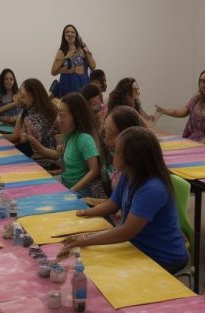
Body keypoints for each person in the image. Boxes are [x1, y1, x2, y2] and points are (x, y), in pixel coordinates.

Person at [60, 127, 189, 273]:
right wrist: (85, 212)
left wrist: (85, 239)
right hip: (137, 246)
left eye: (117, 151)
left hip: (162, 257)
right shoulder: (129, 174)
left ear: (132, 158)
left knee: (94, 267)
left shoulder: (153, 189)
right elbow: (112, 204)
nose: (113, 154)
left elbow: (126, 232)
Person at [30, 93, 107, 198]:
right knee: (36, 189)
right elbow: (68, 168)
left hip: (83, 191)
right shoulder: (69, 136)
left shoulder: (84, 139)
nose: (58, 119)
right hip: (67, 185)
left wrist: (72, 190)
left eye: (62, 115)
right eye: (58, 114)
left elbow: (95, 170)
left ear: (76, 117)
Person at [82, 106, 145, 208]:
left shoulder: (133, 168)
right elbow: (115, 201)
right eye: (104, 125)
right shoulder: (112, 153)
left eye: (108, 128)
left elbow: (124, 208)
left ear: (123, 133)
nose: (103, 130)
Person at [155, 69, 205, 149]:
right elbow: (181, 112)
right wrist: (164, 111)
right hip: (196, 138)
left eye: (204, 81)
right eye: (200, 81)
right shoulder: (197, 98)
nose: (201, 85)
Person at [6, 78, 59, 161]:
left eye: (23, 96)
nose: (19, 99)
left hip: (42, 159)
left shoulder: (32, 119)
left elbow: (19, 139)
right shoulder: (48, 107)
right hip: (48, 155)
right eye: (19, 94)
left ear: (34, 96)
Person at [49, 24, 96, 98]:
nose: (70, 34)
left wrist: (85, 48)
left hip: (84, 87)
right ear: (64, 36)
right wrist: (68, 70)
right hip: (68, 89)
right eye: (67, 32)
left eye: (72, 32)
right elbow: (53, 71)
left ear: (76, 35)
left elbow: (93, 66)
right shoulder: (62, 51)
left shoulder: (83, 49)